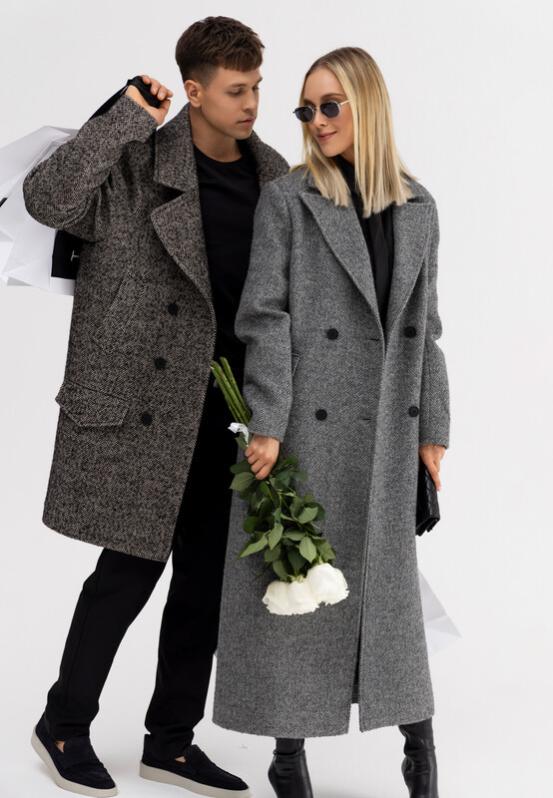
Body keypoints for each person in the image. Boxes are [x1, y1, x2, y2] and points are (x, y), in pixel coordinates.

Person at [22, 16, 288, 798]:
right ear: (194, 91)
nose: (251, 104)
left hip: (230, 410)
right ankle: (63, 723)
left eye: (256, 87)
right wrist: (125, 117)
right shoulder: (135, 166)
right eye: (235, 91)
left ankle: (171, 742)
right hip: (146, 403)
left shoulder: (273, 177)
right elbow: (47, 199)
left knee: (205, 584)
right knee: (127, 572)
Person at [211, 46, 450, 798]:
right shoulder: (288, 199)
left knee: (389, 599)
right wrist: (268, 422)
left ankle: (420, 747)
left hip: (387, 433)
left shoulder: (418, 207)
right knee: (299, 583)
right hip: (306, 429)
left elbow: (426, 330)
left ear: (366, 105)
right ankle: (288, 755)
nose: (315, 121)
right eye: (305, 109)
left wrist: (433, 433)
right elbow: (264, 316)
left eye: (329, 106)